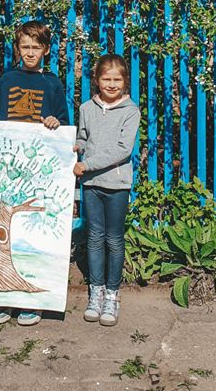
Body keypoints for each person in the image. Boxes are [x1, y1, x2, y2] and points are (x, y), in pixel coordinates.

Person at [0, 20, 68, 327]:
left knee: (30, 231)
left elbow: (63, 121)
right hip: (7, 167)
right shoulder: (7, 79)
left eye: (36, 47)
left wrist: (53, 122)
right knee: (4, 229)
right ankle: (4, 296)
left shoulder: (53, 83)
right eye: (25, 46)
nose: (31, 52)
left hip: (37, 170)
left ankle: (29, 300)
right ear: (17, 48)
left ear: (46, 50)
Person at [73, 54, 140, 326]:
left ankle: (112, 294)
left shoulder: (130, 111)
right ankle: (96, 291)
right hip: (91, 185)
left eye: (117, 79)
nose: (111, 84)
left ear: (125, 82)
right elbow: (82, 136)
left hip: (116, 185)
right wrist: (76, 145)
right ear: (97, 81)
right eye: (106, 79)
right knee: (94, 237)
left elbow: (123, 150)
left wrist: (87, 163)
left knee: (113, 239)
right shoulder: (86, 108)